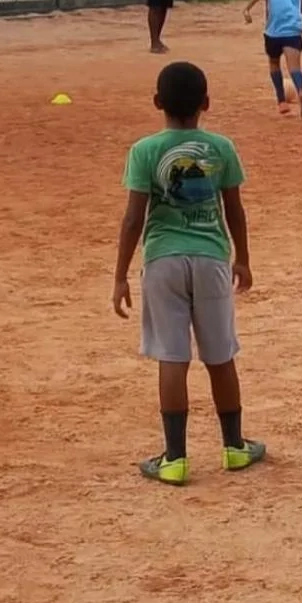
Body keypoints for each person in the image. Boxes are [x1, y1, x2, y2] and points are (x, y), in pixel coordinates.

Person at [113, 61, 265, 486]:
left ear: (157, 102)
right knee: (220, 355)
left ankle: (175, 458)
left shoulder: (144, 151)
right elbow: (234, 209)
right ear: (206, 103)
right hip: (211, 258)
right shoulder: (221, 148)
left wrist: (120, 274)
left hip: (163, 260)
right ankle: (234, 447)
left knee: (172, 356)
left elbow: (133, 218)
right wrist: (242, 258)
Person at [242, 0, 302, 119]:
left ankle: (281, 101)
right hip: (293, 31)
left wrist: (247, 10)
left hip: (273, 32)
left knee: (274, 63)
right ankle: (300, 90)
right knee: (294, 67)